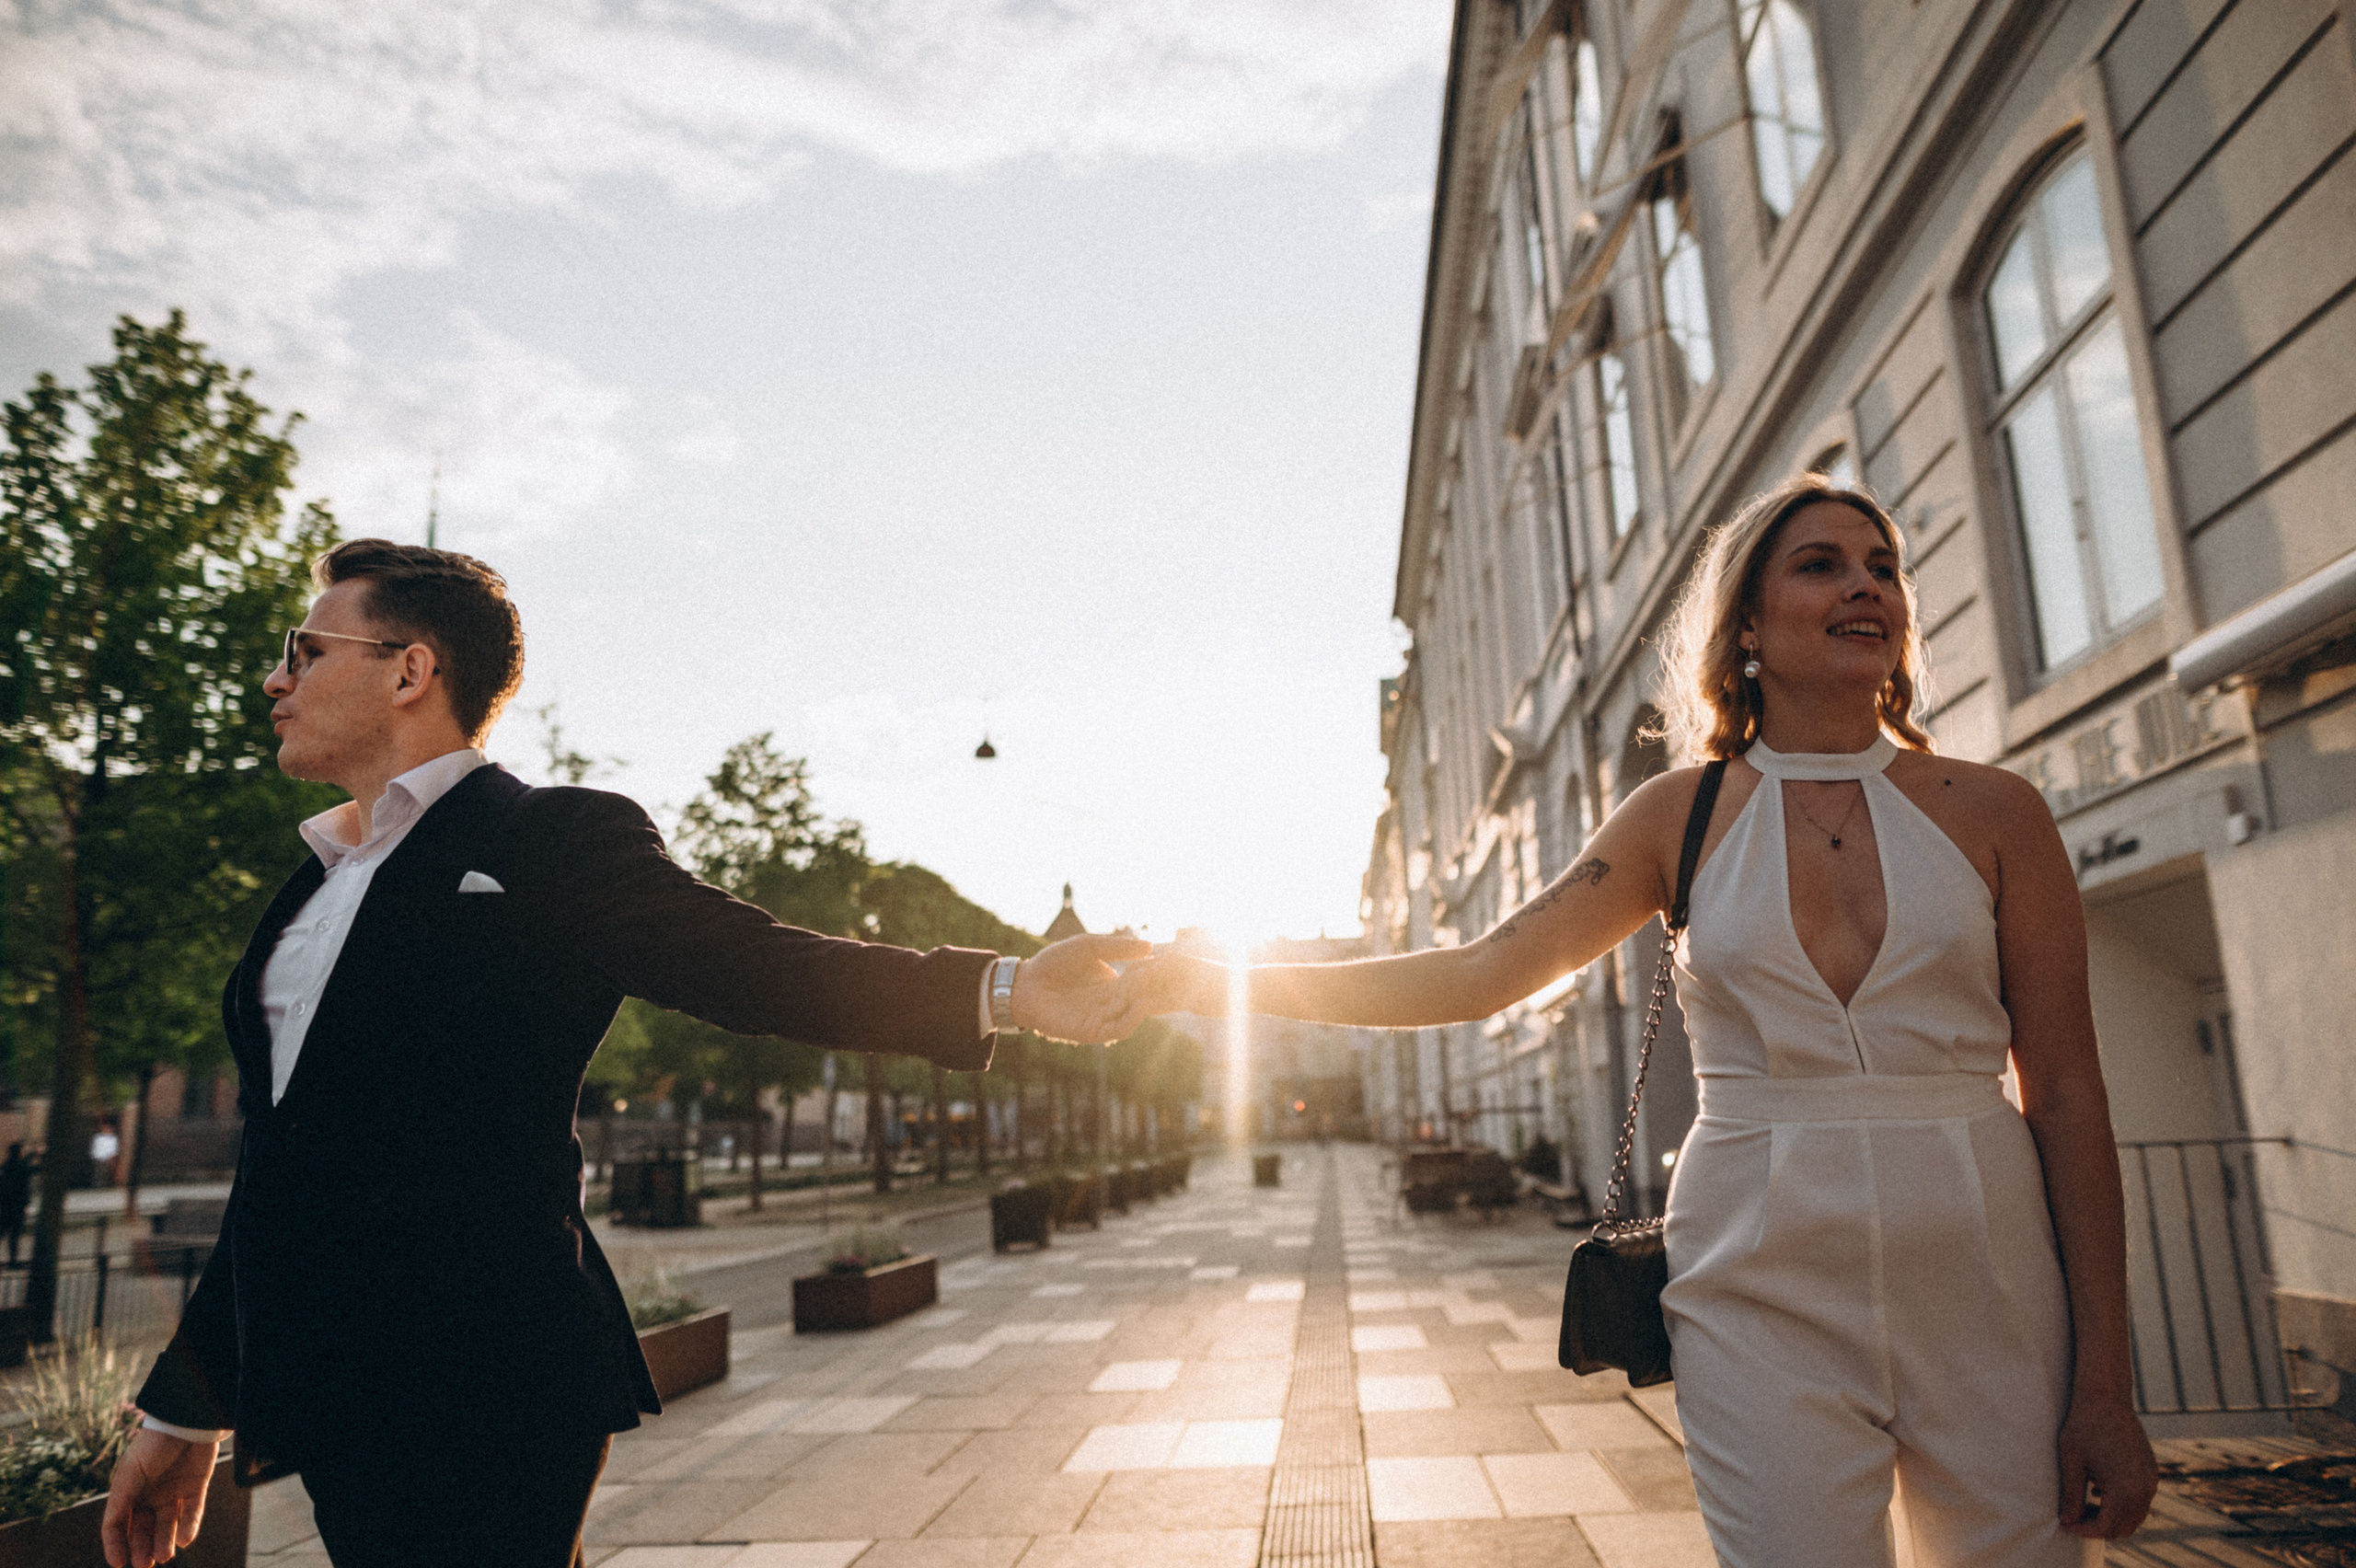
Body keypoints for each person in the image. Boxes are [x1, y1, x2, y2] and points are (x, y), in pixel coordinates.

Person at [1128, 477, 2158, 1565]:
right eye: (1820, 564)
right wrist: (1206, 980)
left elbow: (2068, 1091)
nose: (1865, 584)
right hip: (1755, 1286)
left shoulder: (1997, 811)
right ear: (1747, 625)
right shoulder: (1682, 814)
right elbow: (1480, 971)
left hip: (1993, 1279)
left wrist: (2106, 1381)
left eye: (1882, 566)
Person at [101, 540, 1147, 1568]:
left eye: (305, 648)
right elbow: (280, 1167)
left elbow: (757, 965)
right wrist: (188, 1409)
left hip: (494, 1380)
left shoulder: (550, 838)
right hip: (338, 1395)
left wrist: (1006, 990)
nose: (276, 678)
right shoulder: (315, 887)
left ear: (410, 670)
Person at [0, 1145, 31, 1264]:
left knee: (3, 1231)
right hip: (18, 1206)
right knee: (14, 1236)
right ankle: (13, 1260)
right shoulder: (21, 1166)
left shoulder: (5, 1166)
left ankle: (13, 1260)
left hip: (6, 1206)